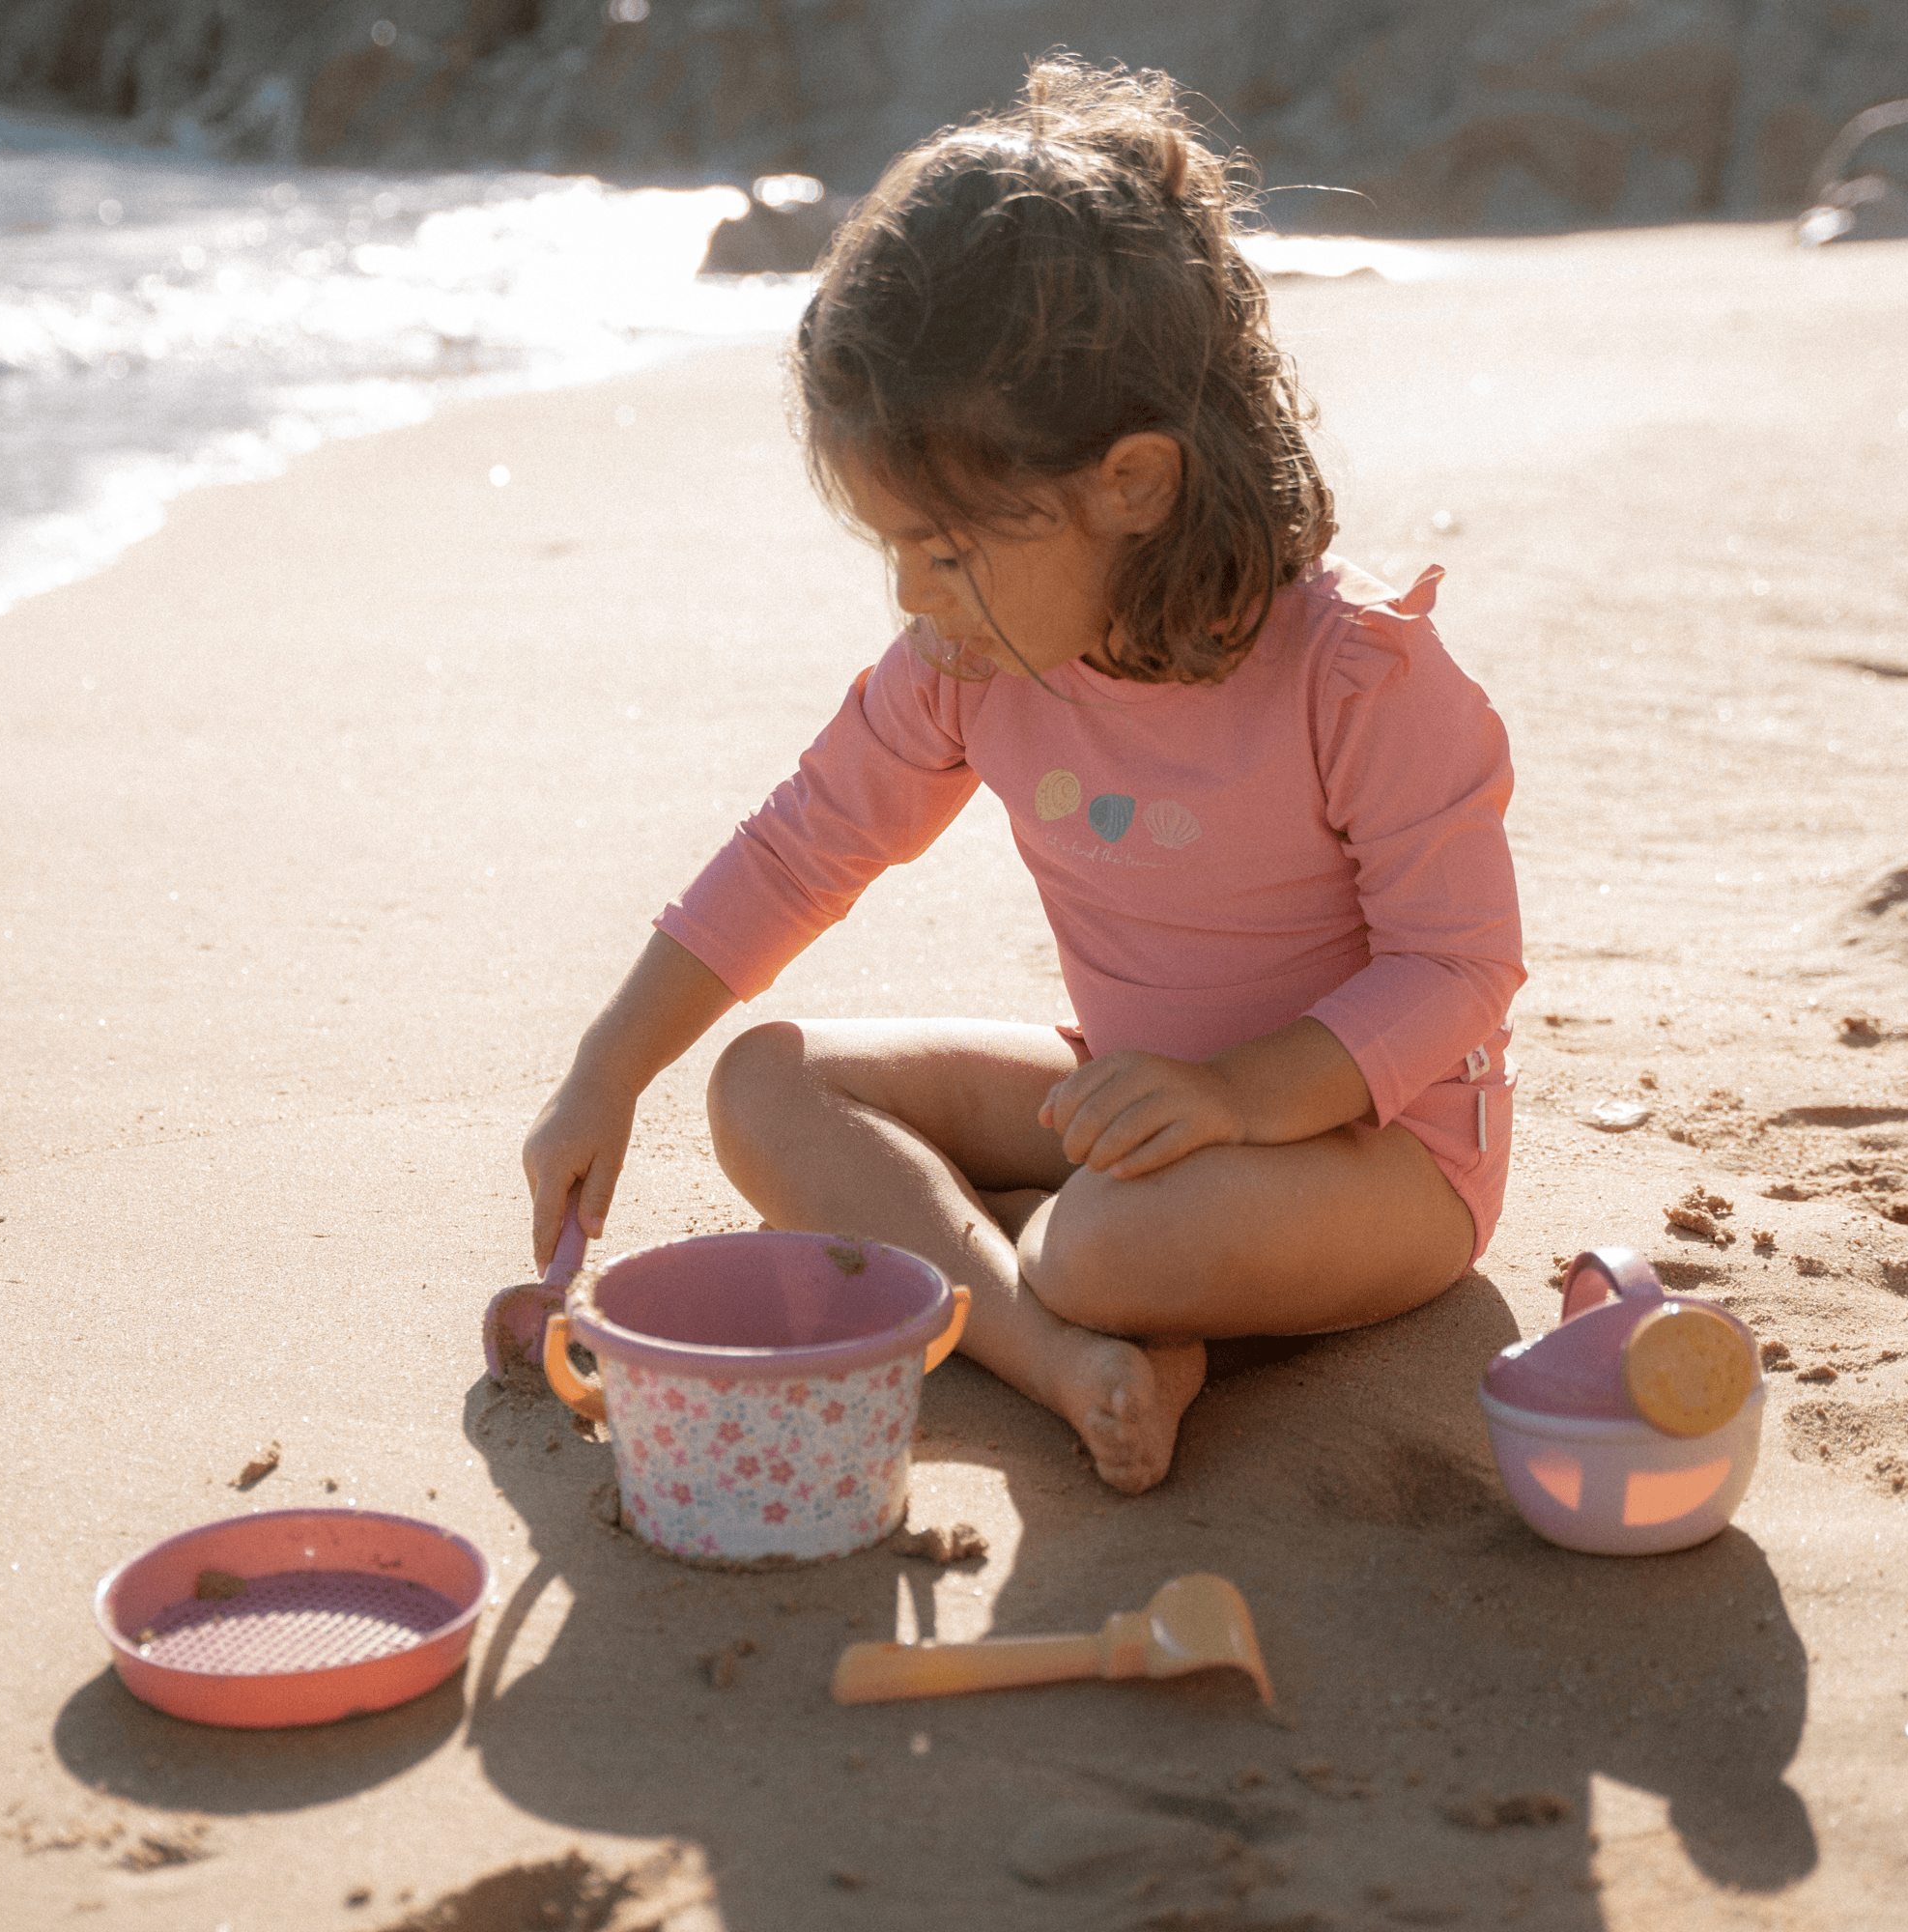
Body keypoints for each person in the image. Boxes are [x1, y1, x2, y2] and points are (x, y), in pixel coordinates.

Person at [524, 58, 1523, 1496]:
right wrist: (606, 1072)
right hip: (1134, 1101)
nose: (915, 601)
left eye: (946, 550)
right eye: (894, 555)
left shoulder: (1356, 675)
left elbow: (1458, 971)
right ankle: (1070, 1356)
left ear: (1131, 484)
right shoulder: (972, 662)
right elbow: (802, 849)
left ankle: (1035, 1285)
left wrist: (1239, 1095)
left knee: (1106, 1239)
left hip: (1383, 1157)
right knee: (764, 1086)